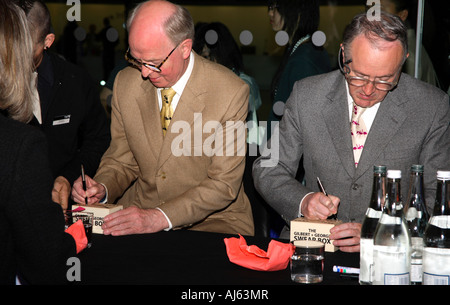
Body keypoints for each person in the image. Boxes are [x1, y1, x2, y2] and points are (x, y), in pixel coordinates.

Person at [253, 12, 450, 252]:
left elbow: (437, 196)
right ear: (343, 55)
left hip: (392, 254)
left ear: (403, 62)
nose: (368, 90)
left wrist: (378, 231)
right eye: (358, 75)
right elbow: (268, 166)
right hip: (314, 250)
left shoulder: (431, 107)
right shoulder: (307, 96)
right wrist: (303, 201)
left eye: (385, 80)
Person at [72, 0, 254, 236]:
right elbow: (121, 160)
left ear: (185, 48)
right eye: (136, 59)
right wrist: (102, 187)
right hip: (139, 210)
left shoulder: (230, 92)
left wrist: (159, 217)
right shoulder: (126, 84)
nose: (145, 73)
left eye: (155, 63)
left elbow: (223, 185)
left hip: (214, 221)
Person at [0, 0, 77, 284]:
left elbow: (95, 140)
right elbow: (47, 261)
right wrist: (72, 239)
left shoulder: (76, 81)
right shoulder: (18, 146)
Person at [14, 0, 111, 211]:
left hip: (61, 210)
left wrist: (69, 177)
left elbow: (98, 139)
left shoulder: (75, 81)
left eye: (23, 49)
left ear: (48, 41)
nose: (14, 57)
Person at [193, 22, 269, 236]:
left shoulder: (242, 83)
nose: (206, 63)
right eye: (202, 57)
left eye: (209, 56)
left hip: (243, 158)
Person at [266, 0, 331, 139]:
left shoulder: (304, 59)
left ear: (299, 11)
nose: (270, 13)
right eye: (269, 7)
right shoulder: (301, 50)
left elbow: (308, 125)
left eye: (276, 7)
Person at [376, 0, 439, 87]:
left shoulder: (409, 56)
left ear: (402, 15)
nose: (373, 15)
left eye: (380, 10)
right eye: (369, 9)